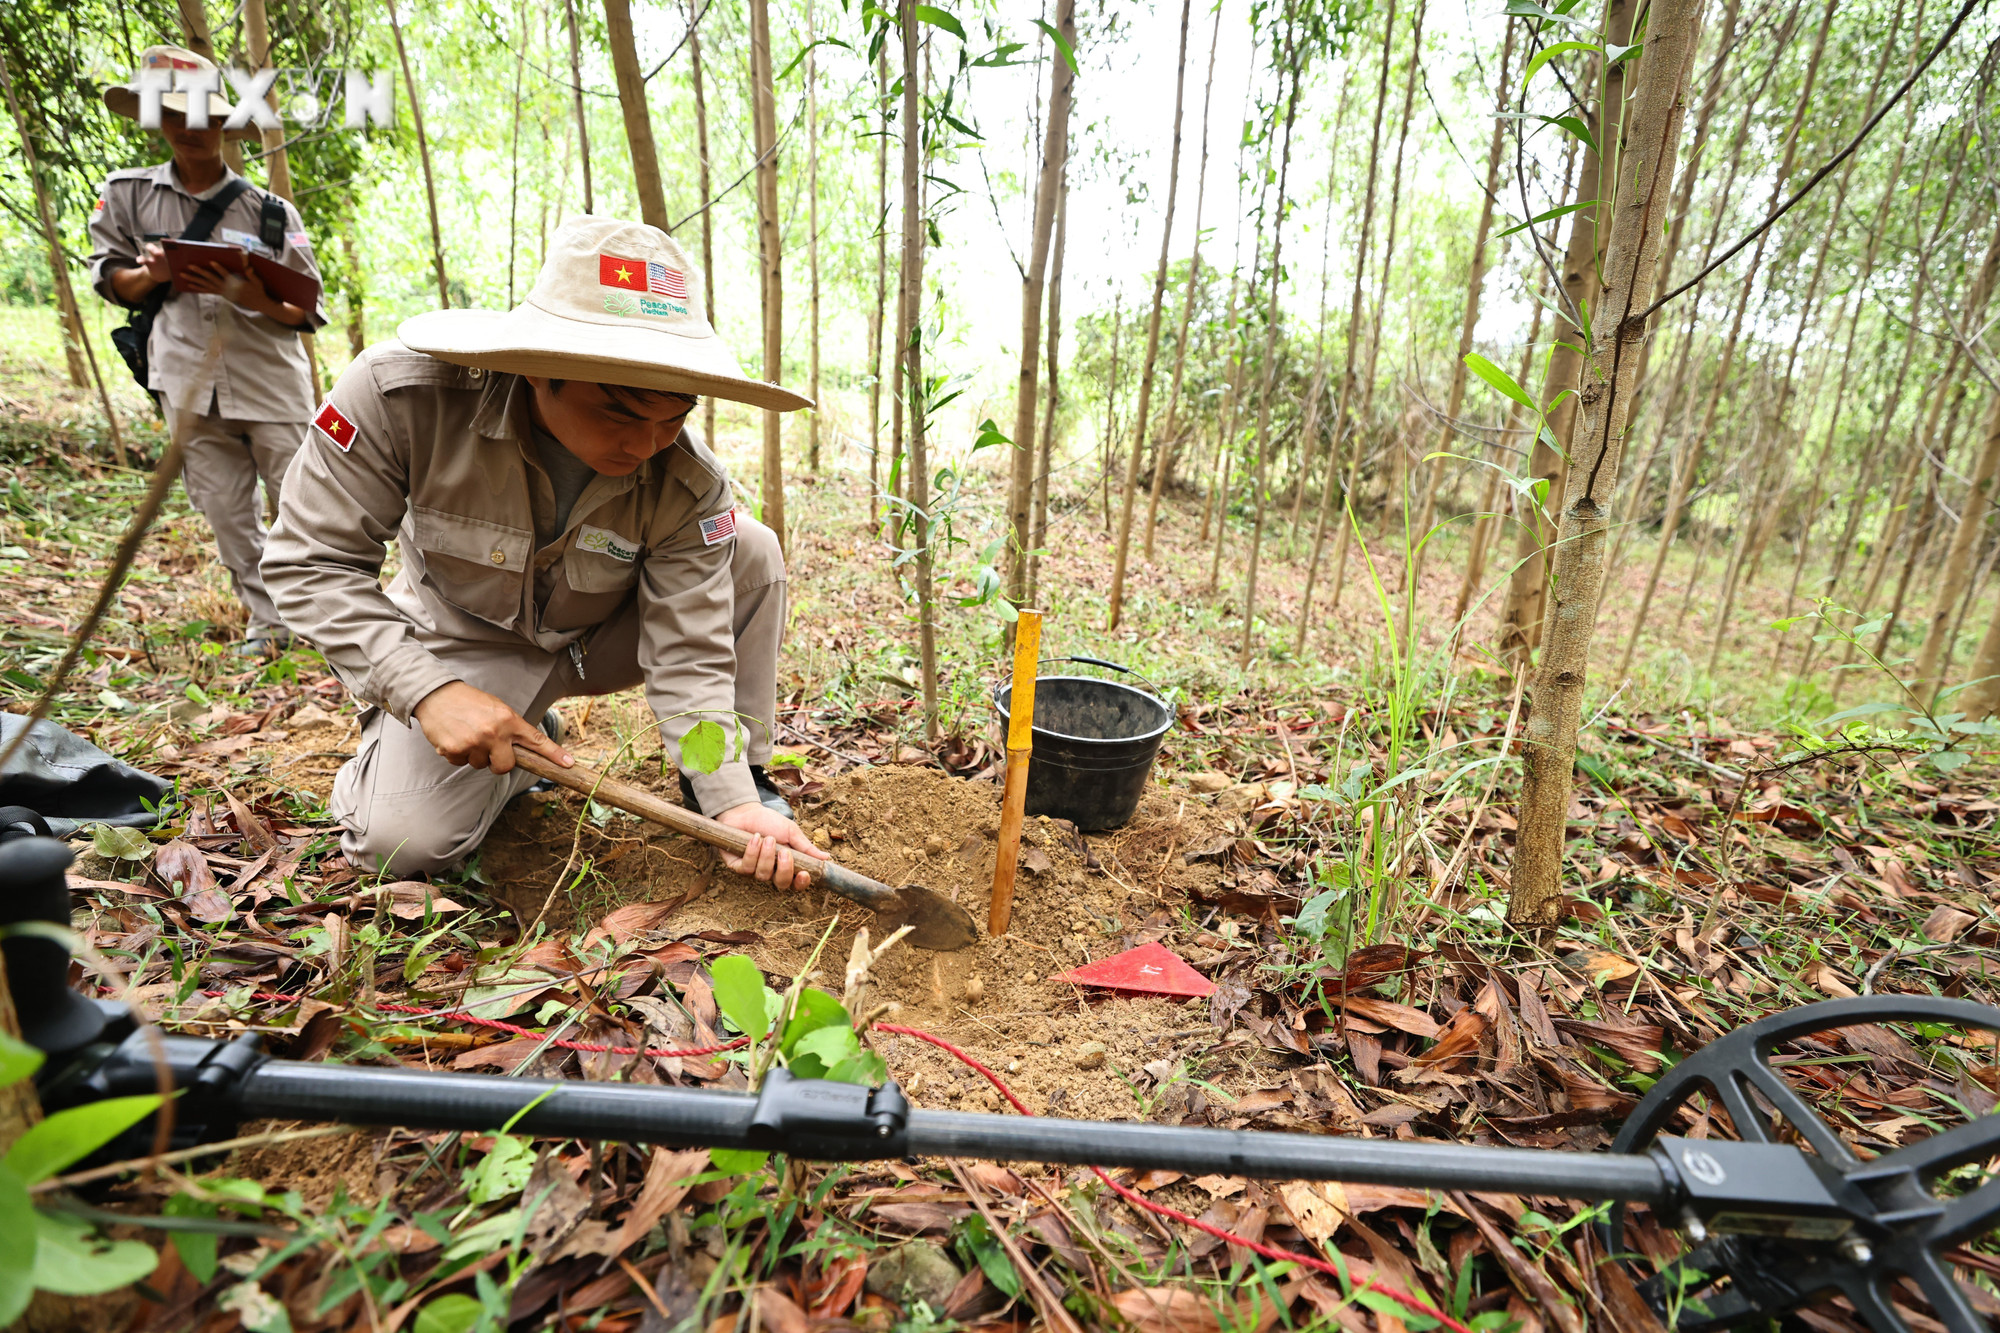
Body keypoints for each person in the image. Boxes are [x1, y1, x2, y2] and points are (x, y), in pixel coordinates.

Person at [262, 215, 823, 893]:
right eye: (620, 412)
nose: (647, 444)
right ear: (536, 370)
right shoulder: (403, 400)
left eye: (673, 415)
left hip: (604, 637)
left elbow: (692, 655)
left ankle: (739, 779)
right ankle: (500, 739)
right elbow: (309, 560)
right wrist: (427, 691)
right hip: (464, 642)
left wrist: (731, 801)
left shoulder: (687, 482)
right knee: (400, 846)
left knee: (751, 548)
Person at [90, 46, 327, 656]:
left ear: (223, 124)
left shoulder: (271, 212)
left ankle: (328, 618)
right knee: (225, 508)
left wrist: (251, 294)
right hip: (185, 378)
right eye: (173, 114)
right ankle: (268, 623)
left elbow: (304, 309)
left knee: (304, 504)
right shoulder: (127, 196)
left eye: (202, 115)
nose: (189, 128)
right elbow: (112, 282)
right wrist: (155, 274)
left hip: (270, 380)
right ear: (156, 120)